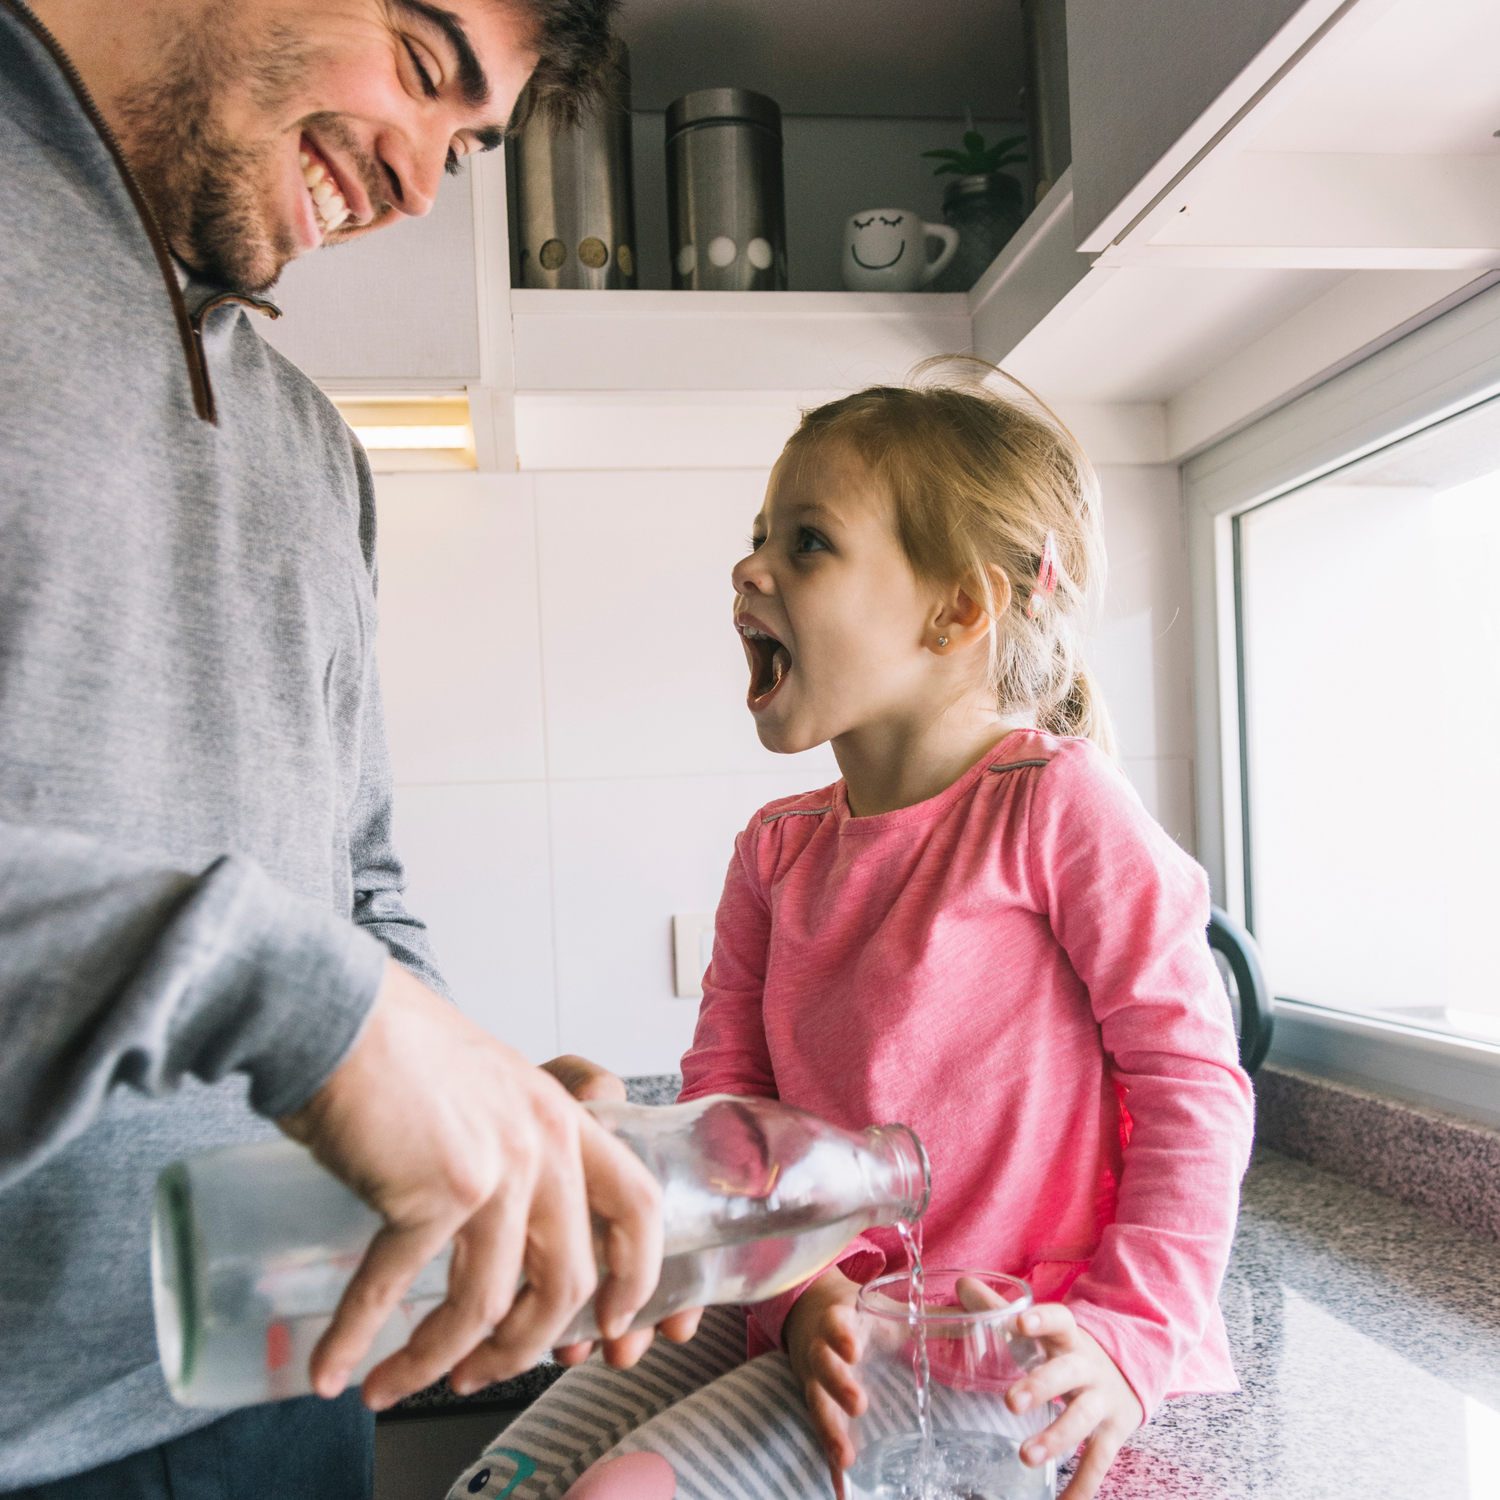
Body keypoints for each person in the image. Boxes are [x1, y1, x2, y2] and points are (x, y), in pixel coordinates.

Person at [0, 2, 680, 1495]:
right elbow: (297, 976)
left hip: (292, 1387)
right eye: (424, 67)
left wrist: (480, 1095)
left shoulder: (313, 448)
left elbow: (354, 889)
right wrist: (310, 1006)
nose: (422, 189)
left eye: (467, 145)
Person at [448, 360, 1256, 1500]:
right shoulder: (775, 851)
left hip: (998, 1345)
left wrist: (1130, 1337)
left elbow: (1191, 1084)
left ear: (957, 610)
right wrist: (793, 1292)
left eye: (808, 542)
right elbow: (727, 1109)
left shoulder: (1055, 806)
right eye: (760, 537)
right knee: (504, 1480)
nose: (750, 567)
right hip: (799, 1300)